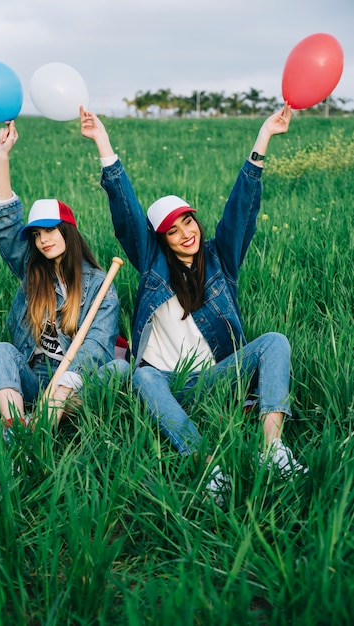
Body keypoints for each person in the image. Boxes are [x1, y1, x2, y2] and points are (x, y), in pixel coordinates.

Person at [80, 103, 307, 502]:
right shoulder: (152, 267)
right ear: (160, 241)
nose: (186, 233)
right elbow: (128, 213)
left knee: (274, 341)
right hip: (173, 383)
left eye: (188, 221)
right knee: (142, 376)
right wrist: (103, 143)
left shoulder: (222, 259)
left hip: (220, 377)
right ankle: (208, 464)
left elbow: (242, 209)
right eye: (172, 230)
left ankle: (272, 449)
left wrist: (263, 140)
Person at [0, 120, 125, 433]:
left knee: (119, 368)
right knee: (1, 350)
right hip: (34, 379)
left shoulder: (100, 285)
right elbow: (6, 227)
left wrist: (59, 394)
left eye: (51, 230)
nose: (43, 239)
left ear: (67, 232)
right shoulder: (31, 271)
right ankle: (17, 429)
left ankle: (49, 418)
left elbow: (97, 346)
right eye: (36, 234)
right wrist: (2, 156)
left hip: (75, 384)